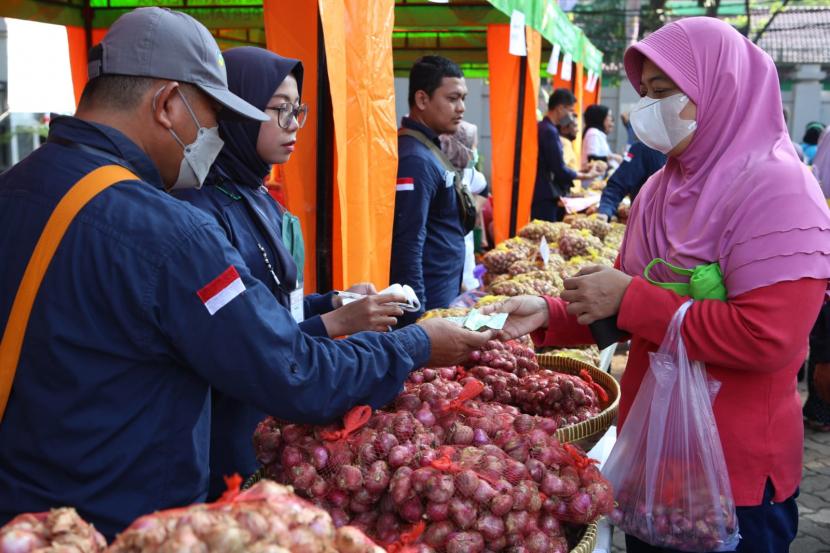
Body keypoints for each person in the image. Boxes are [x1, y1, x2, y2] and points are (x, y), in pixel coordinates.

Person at [0, 8, 492, 537]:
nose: (217, 133)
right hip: (119, 524)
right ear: (167, 104)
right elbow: (293, 371)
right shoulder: (171, 231)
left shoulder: (16, 185)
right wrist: (416, 345)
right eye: (213, 117)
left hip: (25, 518)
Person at [486, 17, 830, 553]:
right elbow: (622, 307)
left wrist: (631, 298)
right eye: (646, 94)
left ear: (722, 89)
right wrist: (551, 314)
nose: (647, 109)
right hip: (652, 461)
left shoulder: (780, 190)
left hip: (732, 476)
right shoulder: (655, 191)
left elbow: (770, 337)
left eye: (665, 93)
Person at [172, 47, 407, 500]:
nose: (295, 123)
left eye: (297, 110)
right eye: (279, 110)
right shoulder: (199, 211)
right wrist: (340, 323)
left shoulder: (255, 192)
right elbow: (244, 342)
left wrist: (335, 301)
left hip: (270, 414)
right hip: (226, 430)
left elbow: (273, 305)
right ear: (234, 110)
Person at [391, 55, 469, 325]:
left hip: (441, 298)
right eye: (452, 98)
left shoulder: (428, 148)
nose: (461, 108)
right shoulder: (415, 158)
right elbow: (408, 242)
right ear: (422, 100)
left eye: (463, 98)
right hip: (428, 308)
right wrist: (418, 317)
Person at [531, 89, 598, 222]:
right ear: (560, 108)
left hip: (540, 192)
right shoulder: (549, 131)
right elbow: (558, 168)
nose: (571, 115)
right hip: (546, 194)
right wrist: (585, 176)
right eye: (570, 110)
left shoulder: (543, 127)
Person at [440, 120, 487, 292]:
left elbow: (483, 188)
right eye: (472, 147)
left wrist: (473, 209)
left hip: (465, 256)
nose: (474, 152)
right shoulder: (439, 172)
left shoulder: (468, 172)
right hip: (445, 268)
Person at [597, 140, 667, 221]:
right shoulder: (645, 148)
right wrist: (605, 210)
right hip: (647, 226)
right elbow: (619, 183)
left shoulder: (683, 155)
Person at [581, 104, 623, 168]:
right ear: (601, 117)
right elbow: (592, 158)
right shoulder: (593, 133)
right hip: (594, 177)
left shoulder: (598, 134)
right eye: (609, 116)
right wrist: (613, 157)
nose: (611, 119)